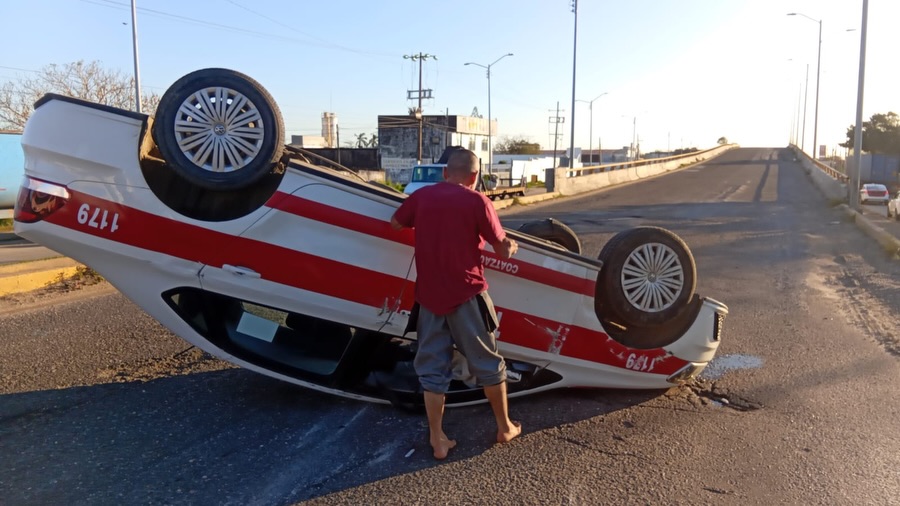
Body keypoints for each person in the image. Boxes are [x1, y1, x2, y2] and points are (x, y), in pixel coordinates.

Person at [391, 148, 521, 460]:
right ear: (475, 176)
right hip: (467, 294)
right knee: (488, 363)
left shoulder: (422, 196)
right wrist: (511, 245)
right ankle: (504, 427)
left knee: (432, 370)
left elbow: (396, 223)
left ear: (446, 173)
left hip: (429, 297)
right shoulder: (478, 201)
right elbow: (502, 250)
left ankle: (438, 439)